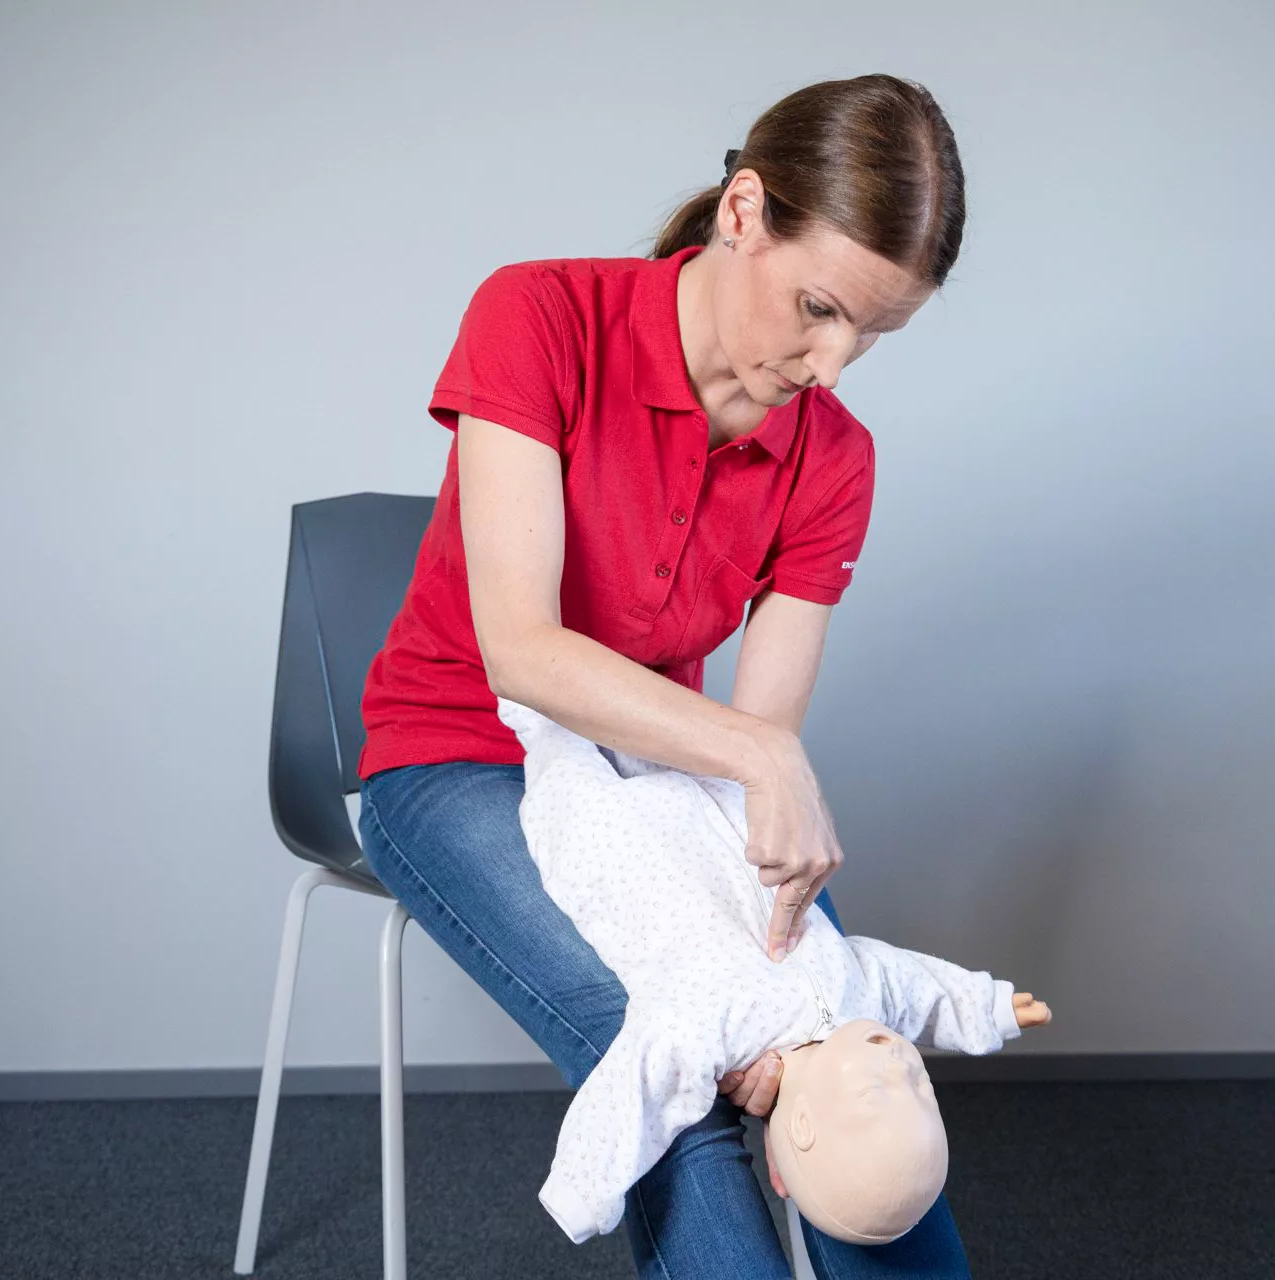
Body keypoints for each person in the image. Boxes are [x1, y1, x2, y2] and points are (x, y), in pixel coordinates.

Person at [357, 73, 986, 1278]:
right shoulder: (537, 315)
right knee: (668, 1061)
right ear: (744, 209)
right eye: (819, 307)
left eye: (873, 333)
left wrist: (780, 978)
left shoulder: (833, 455)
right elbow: (523, 654)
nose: (835, 364)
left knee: (839, 1055)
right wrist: (760, 759)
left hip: (657, 779)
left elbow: (762, 730)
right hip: (458, 752)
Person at [494, 694, 1051, 1247]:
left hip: (614, 845)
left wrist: (584, 1185)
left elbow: (639, 1083)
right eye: (920, 1085)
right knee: (645, 718)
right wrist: (987, 1006)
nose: (897, 1055)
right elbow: (913, 987)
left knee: (562, 757)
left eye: (881, 1091)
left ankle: (539, 709)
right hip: (711, 804)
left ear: (803, 1127)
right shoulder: (861, 1000)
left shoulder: (715, 1026)